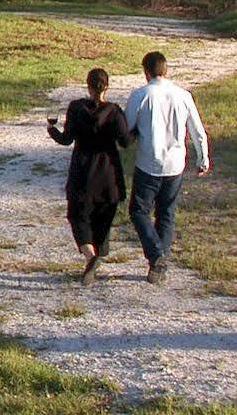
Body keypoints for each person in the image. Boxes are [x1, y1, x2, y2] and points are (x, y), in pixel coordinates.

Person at [123, 50, 211, 283]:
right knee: (166, 213)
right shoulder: (183, 95)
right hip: (175, 164)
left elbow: (127, 127)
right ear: (166, 69)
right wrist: (203, 158)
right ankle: (159, 264)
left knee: (139, 211)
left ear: (146, 72)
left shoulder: (141, 95)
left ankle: (156, 255)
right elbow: (198, 131)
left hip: (148, 162)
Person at [47, 67, 133, 283]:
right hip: (108, 175)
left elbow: (66, 139)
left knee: (77, 216)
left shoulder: (76, 108)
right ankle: (99, 253)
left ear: (87, 86)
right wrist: (138, 131)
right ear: (107, 86)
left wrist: (51, 131)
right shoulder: (114, 111)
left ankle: (91, 256)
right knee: (103, 217)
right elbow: (125, 141)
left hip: (82, 172)